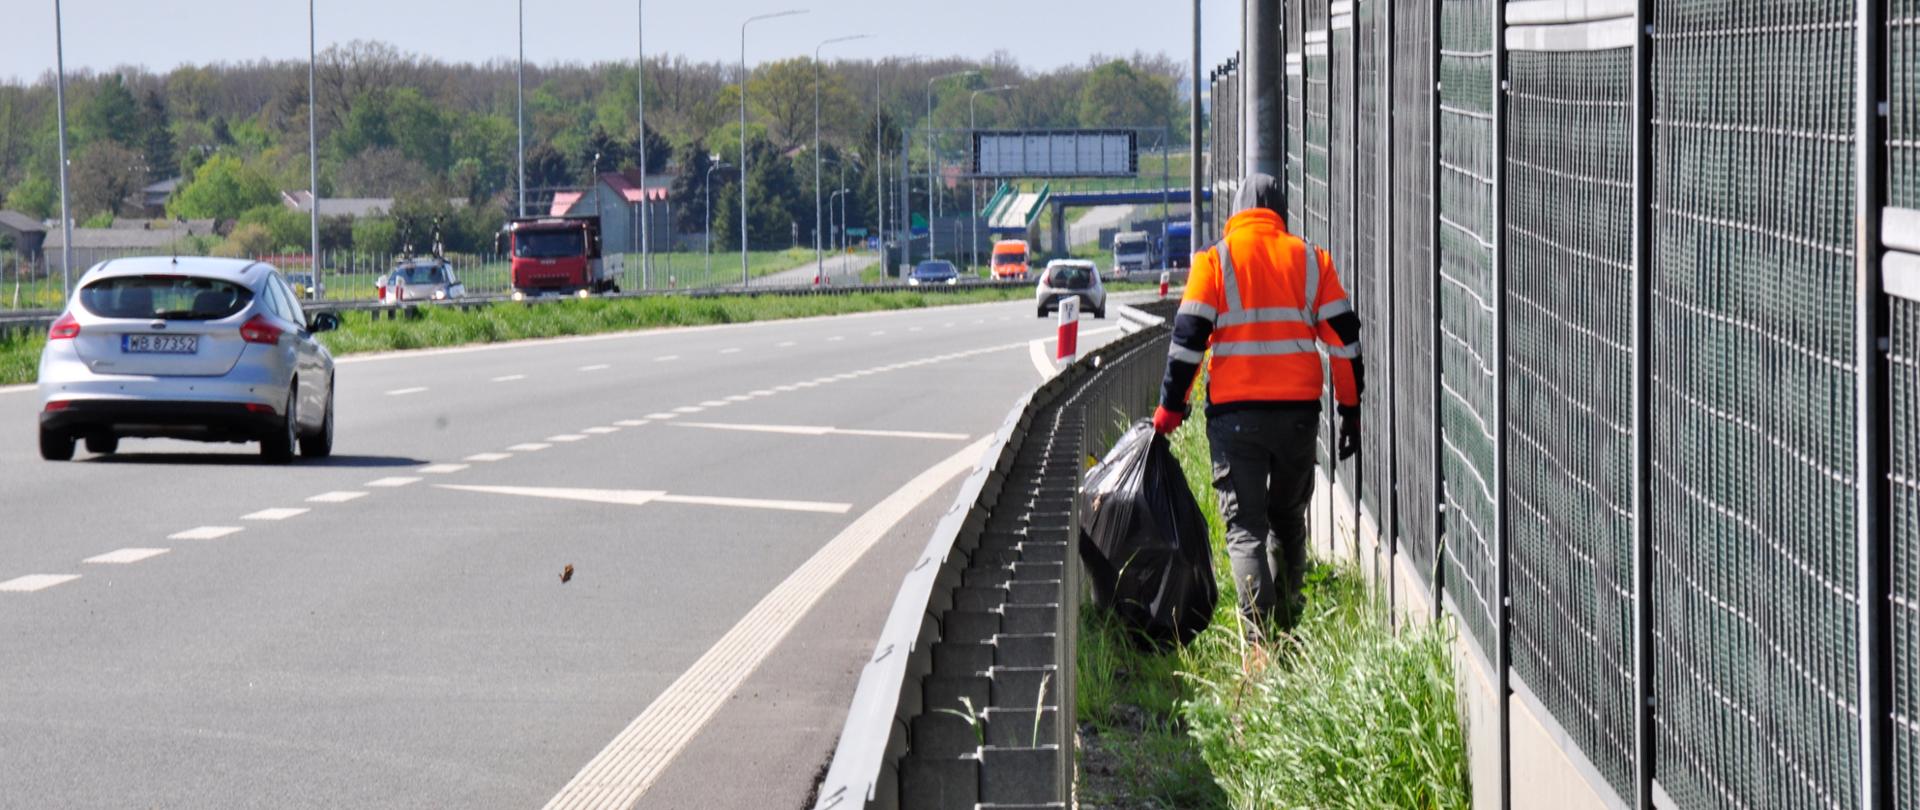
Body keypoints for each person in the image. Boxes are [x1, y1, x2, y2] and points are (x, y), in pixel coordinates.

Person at [1152, 172, 1364, 638]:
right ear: (1279, 214)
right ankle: (1290, 614)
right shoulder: (1312, 261)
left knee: (1245, 528)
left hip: (1235, 418)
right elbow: (1345, 342)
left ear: (1237, 213)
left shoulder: (1215, 260)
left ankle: (1260, 641)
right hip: (1297, 416)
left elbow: (1187, 342)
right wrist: (1350, 409)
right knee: (1287, 517)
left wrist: (1171, 407)